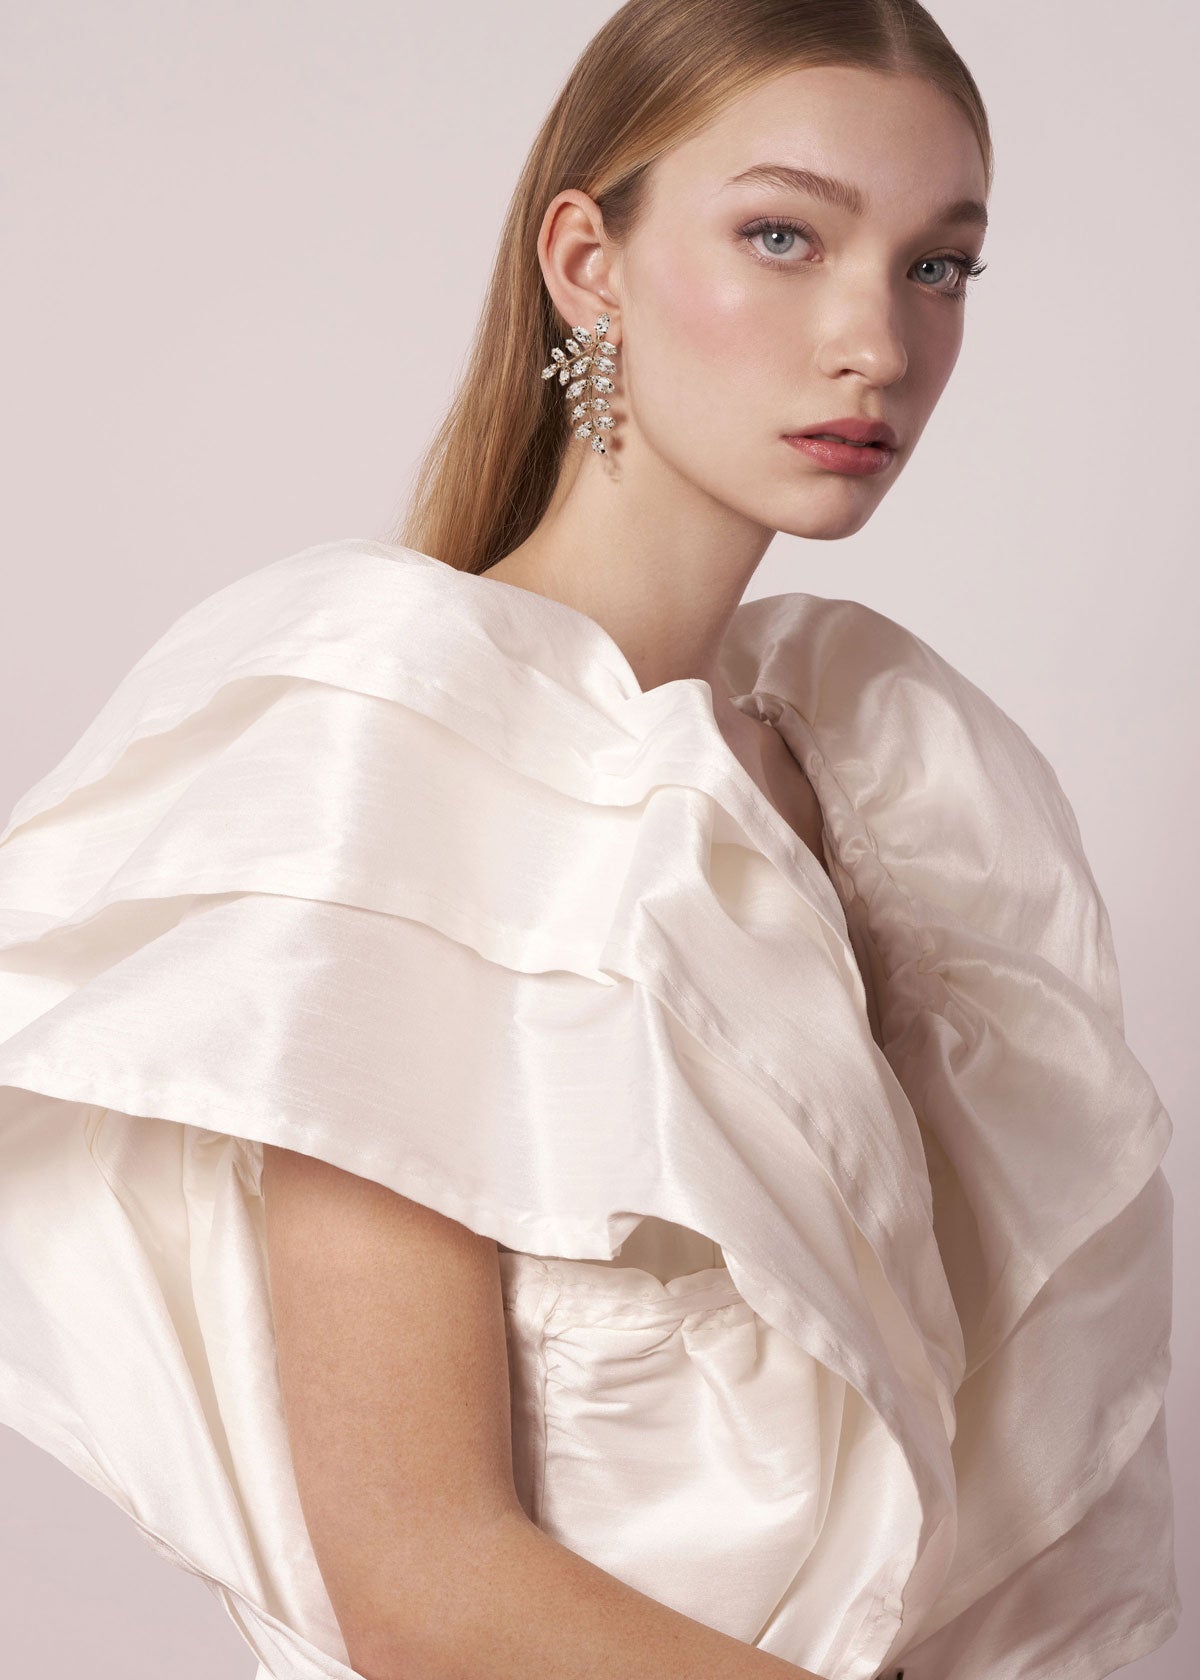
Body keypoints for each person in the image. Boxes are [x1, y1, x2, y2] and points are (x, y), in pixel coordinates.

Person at [0, 1, 1179, 1677]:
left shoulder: (894, 795)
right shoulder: (388, 760)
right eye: (784, 235)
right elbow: (419, 1580)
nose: (876, 340)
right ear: (587, 260)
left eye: (940, 265)